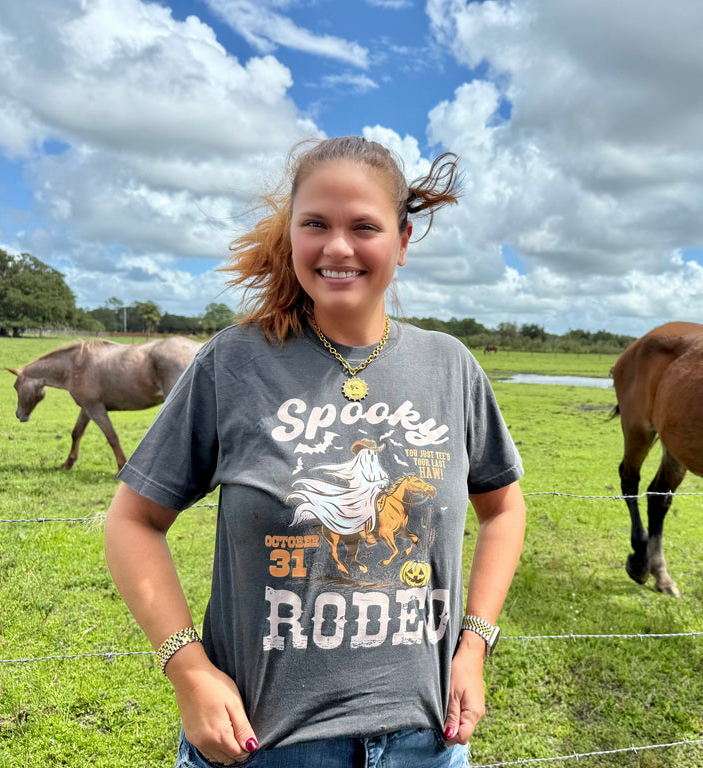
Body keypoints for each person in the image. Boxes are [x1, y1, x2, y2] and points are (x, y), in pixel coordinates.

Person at [104, 136, 526, 767]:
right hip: (268, 748)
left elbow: (505, 509)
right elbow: (133, 521)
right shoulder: (234, 363)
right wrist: (188, 669)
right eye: (316, 224)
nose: (337, 246)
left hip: (427, 742)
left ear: (402, 242)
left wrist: (475, 645)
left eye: (364, 226)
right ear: (292, 235)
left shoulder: (450, 367)